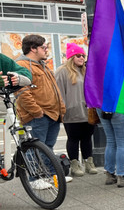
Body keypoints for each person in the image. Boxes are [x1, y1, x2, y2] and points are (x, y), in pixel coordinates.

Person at [15, 35, 73, 184]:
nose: (46, 50)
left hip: (52, 114)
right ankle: (34, 179)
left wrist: (61, 108)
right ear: (33, 48)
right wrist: (37, 111)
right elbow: (22, 92)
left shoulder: (42, 64)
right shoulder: (22, 65)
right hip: (38, 116)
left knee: (48, 148)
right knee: (34, 148)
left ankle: (53, 176)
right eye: (43, 47)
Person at [55, 43, 98, 178]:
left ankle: (88, 162)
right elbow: (58, 92)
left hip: (87, 111)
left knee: (87, 138)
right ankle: (74, 165)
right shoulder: (62, 71)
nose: (82, 58)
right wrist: (62, 109)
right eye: (78, 55)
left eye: (83, 55)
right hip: (71, 112)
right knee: (73, 139)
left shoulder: (86, 70)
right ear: (71, 57)